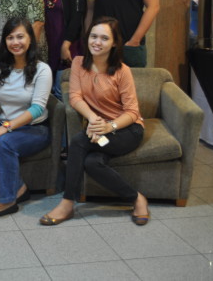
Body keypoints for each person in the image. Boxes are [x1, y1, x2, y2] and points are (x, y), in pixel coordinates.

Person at [40, 17, 150, 226]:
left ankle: (67, 202)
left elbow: (132, 112)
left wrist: (110, 126)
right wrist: (93, 119)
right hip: (99, 130)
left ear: (115, 43)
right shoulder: (79, 63)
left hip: (126, 131)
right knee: (92, 163)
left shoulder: (122, 71)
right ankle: (137, 198)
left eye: (104, 38)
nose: (97, 42)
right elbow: (75, 97)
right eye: (93, 36)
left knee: (79, 141)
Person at [0, 18, 52, 218]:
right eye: (10, 37)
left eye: (20, 37)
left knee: (3, 144)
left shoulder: (42, 69)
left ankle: (7, 201)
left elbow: (37, 109)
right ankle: (18, 188)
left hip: (34, 129)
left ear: (30, 40)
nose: (15, 42)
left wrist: (5, 128)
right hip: (4, 126)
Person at [33, 0, 86, 98]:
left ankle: (63, 122)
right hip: (43, 44)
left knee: (62, 90)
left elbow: (77, 19)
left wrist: (66, 45)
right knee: (42, 91)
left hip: (66, 44)